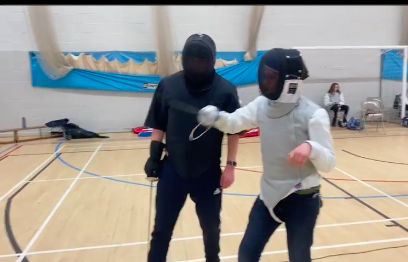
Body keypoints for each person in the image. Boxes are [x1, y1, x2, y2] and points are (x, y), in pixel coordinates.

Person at [197, 48, 336, 262]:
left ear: (291, 83)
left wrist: (310, 147)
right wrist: (216, 117)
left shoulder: (313, 114)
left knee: (299, 257)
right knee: (247, 254)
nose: (266, 81)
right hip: (269, 194)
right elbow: (235, 123)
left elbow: (328, 163)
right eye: (265, 76)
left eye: (272, 77)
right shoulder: (262, 105)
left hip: (302, 198)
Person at [143, 33, 241, 262]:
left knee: (211, 230)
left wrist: (230, 166)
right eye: (192, 58)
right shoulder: (168, 85)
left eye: (202, 59)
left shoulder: (225, 90)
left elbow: (235, 131)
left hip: (208, 173)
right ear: (184, 58)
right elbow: (158, 123)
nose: (197, 63)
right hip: (173, 170)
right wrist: (154, 156)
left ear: (212, 59)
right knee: (161, 230)